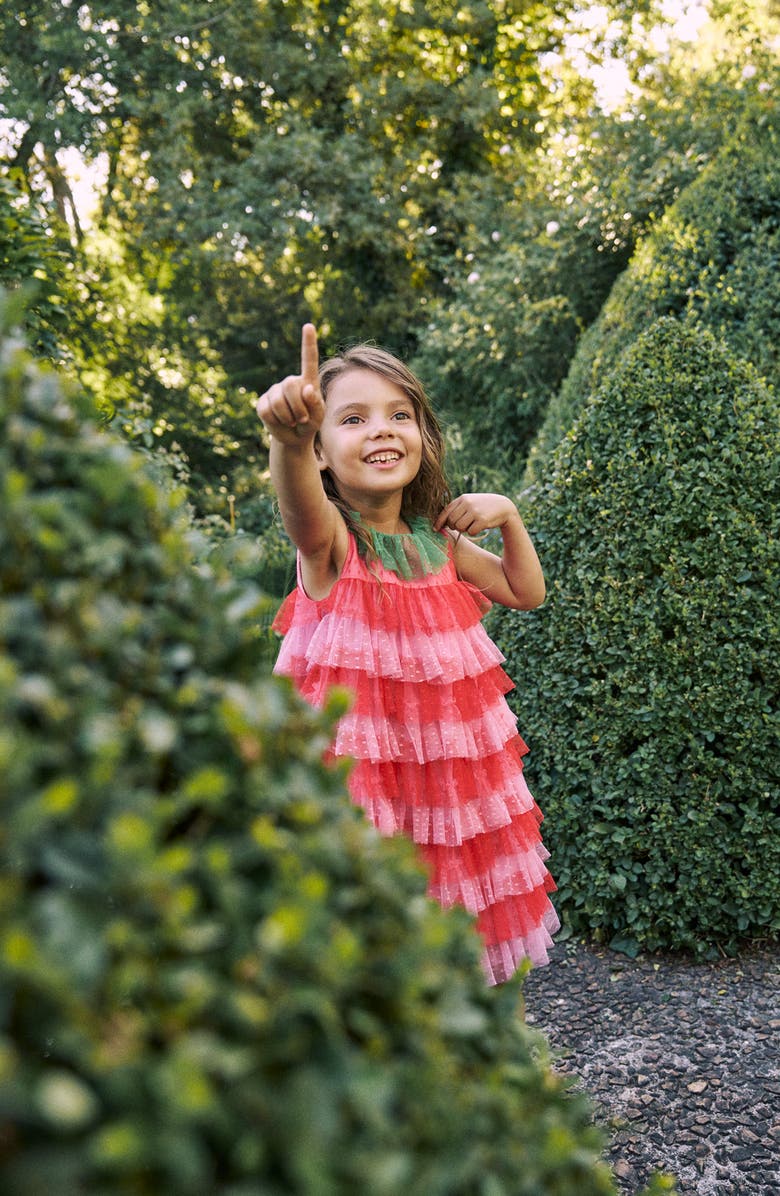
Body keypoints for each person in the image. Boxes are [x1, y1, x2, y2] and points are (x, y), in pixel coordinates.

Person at [257, 324, 559, 984]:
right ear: (324, 453)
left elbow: (523, 591)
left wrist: (509, 515)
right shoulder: (333, 542)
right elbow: (301, 513)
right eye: (354, 418)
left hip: (443, 779)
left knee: (445, 914)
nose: (383, 430)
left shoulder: (441, 546)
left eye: (401, 414)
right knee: (364, 918)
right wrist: (288, 442)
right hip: (361, 779)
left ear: (424, 435)